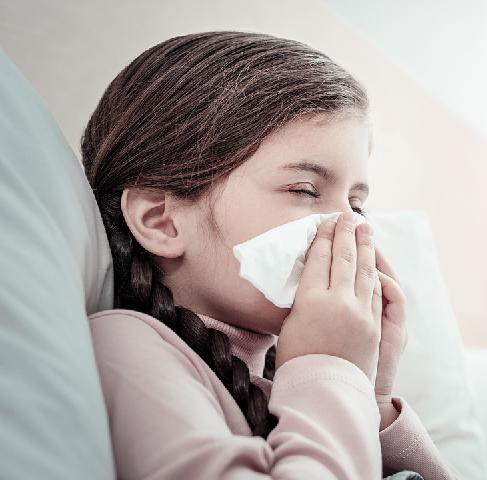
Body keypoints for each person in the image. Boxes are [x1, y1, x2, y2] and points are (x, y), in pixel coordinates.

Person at [81, 31, 458, 479]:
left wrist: (370, 396)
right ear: (161, 220)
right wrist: (331, 371)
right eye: (304, 189)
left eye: (357, 205)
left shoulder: (286, 382)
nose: (349, 226)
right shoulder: (127, 349)